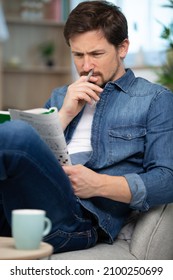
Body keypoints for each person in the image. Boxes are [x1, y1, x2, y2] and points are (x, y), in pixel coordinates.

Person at [0, 0, 173, 254]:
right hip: (20, 208)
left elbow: (167, 180)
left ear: (122, 47)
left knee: (16, 135)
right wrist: (65, 113)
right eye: (78, 55)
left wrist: (98, 184)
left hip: (78, 220)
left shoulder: (155, 99)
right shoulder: (61, 96)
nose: (86, 66)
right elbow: (30, 162)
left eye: (96, 54)